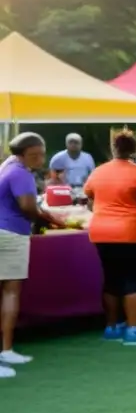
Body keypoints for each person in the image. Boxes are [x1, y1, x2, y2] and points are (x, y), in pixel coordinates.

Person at [84, 130, 136, 346]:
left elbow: (90, 200)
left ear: (114, 148)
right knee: (134, 280)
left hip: (102, 232)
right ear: (134, 149)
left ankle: (111, 327)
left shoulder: (98, 172)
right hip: (134, 232)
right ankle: (133, 329)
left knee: (111, 279)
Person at [0, 133, 65, 377]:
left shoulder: (8, 165)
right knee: (10, 292)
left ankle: (6, 351)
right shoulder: (22, 173)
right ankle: (4, 351)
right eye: (34, 155)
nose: (40, 159)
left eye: (42, 153)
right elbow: (28, 207)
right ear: (22, 154)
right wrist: (49, 219)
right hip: (10, 236)